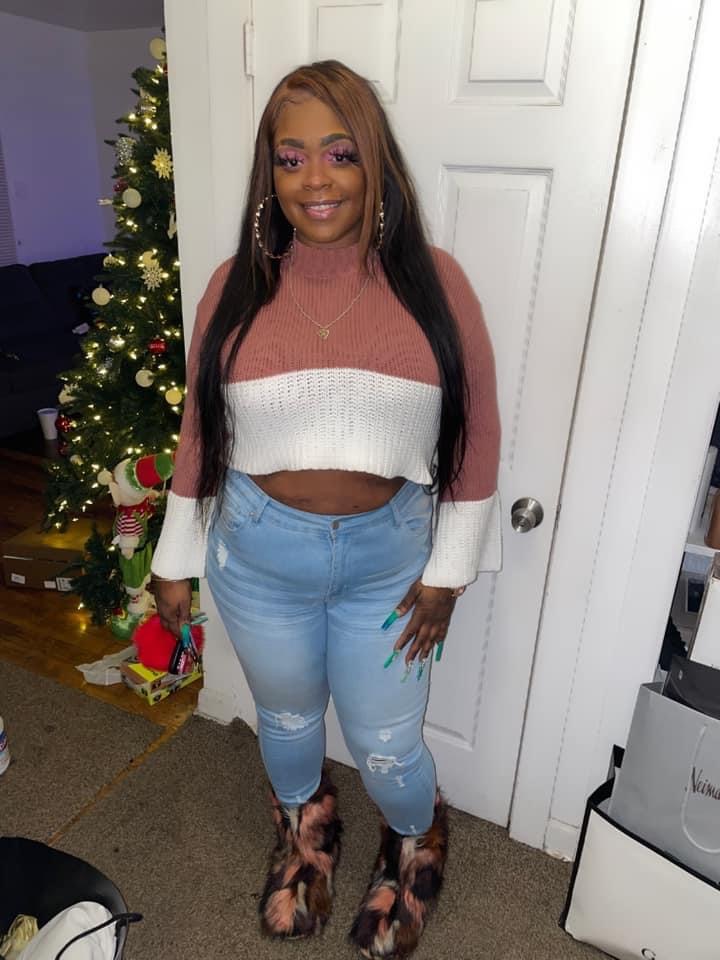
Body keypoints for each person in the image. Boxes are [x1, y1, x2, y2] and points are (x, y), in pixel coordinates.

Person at [151, 59, 501, 959]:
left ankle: (415, 843)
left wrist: (448, 575)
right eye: (292, 156)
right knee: (287, 721)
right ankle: (306, 840)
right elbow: (201, 432)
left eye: (340, 153)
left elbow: (475, 437)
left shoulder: (437, 285)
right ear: (269, 172)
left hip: (390, 563)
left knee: (387, 742)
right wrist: (173, 559)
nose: (316, 179)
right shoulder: (234, 285)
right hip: (257, 555)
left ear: (375, 162)